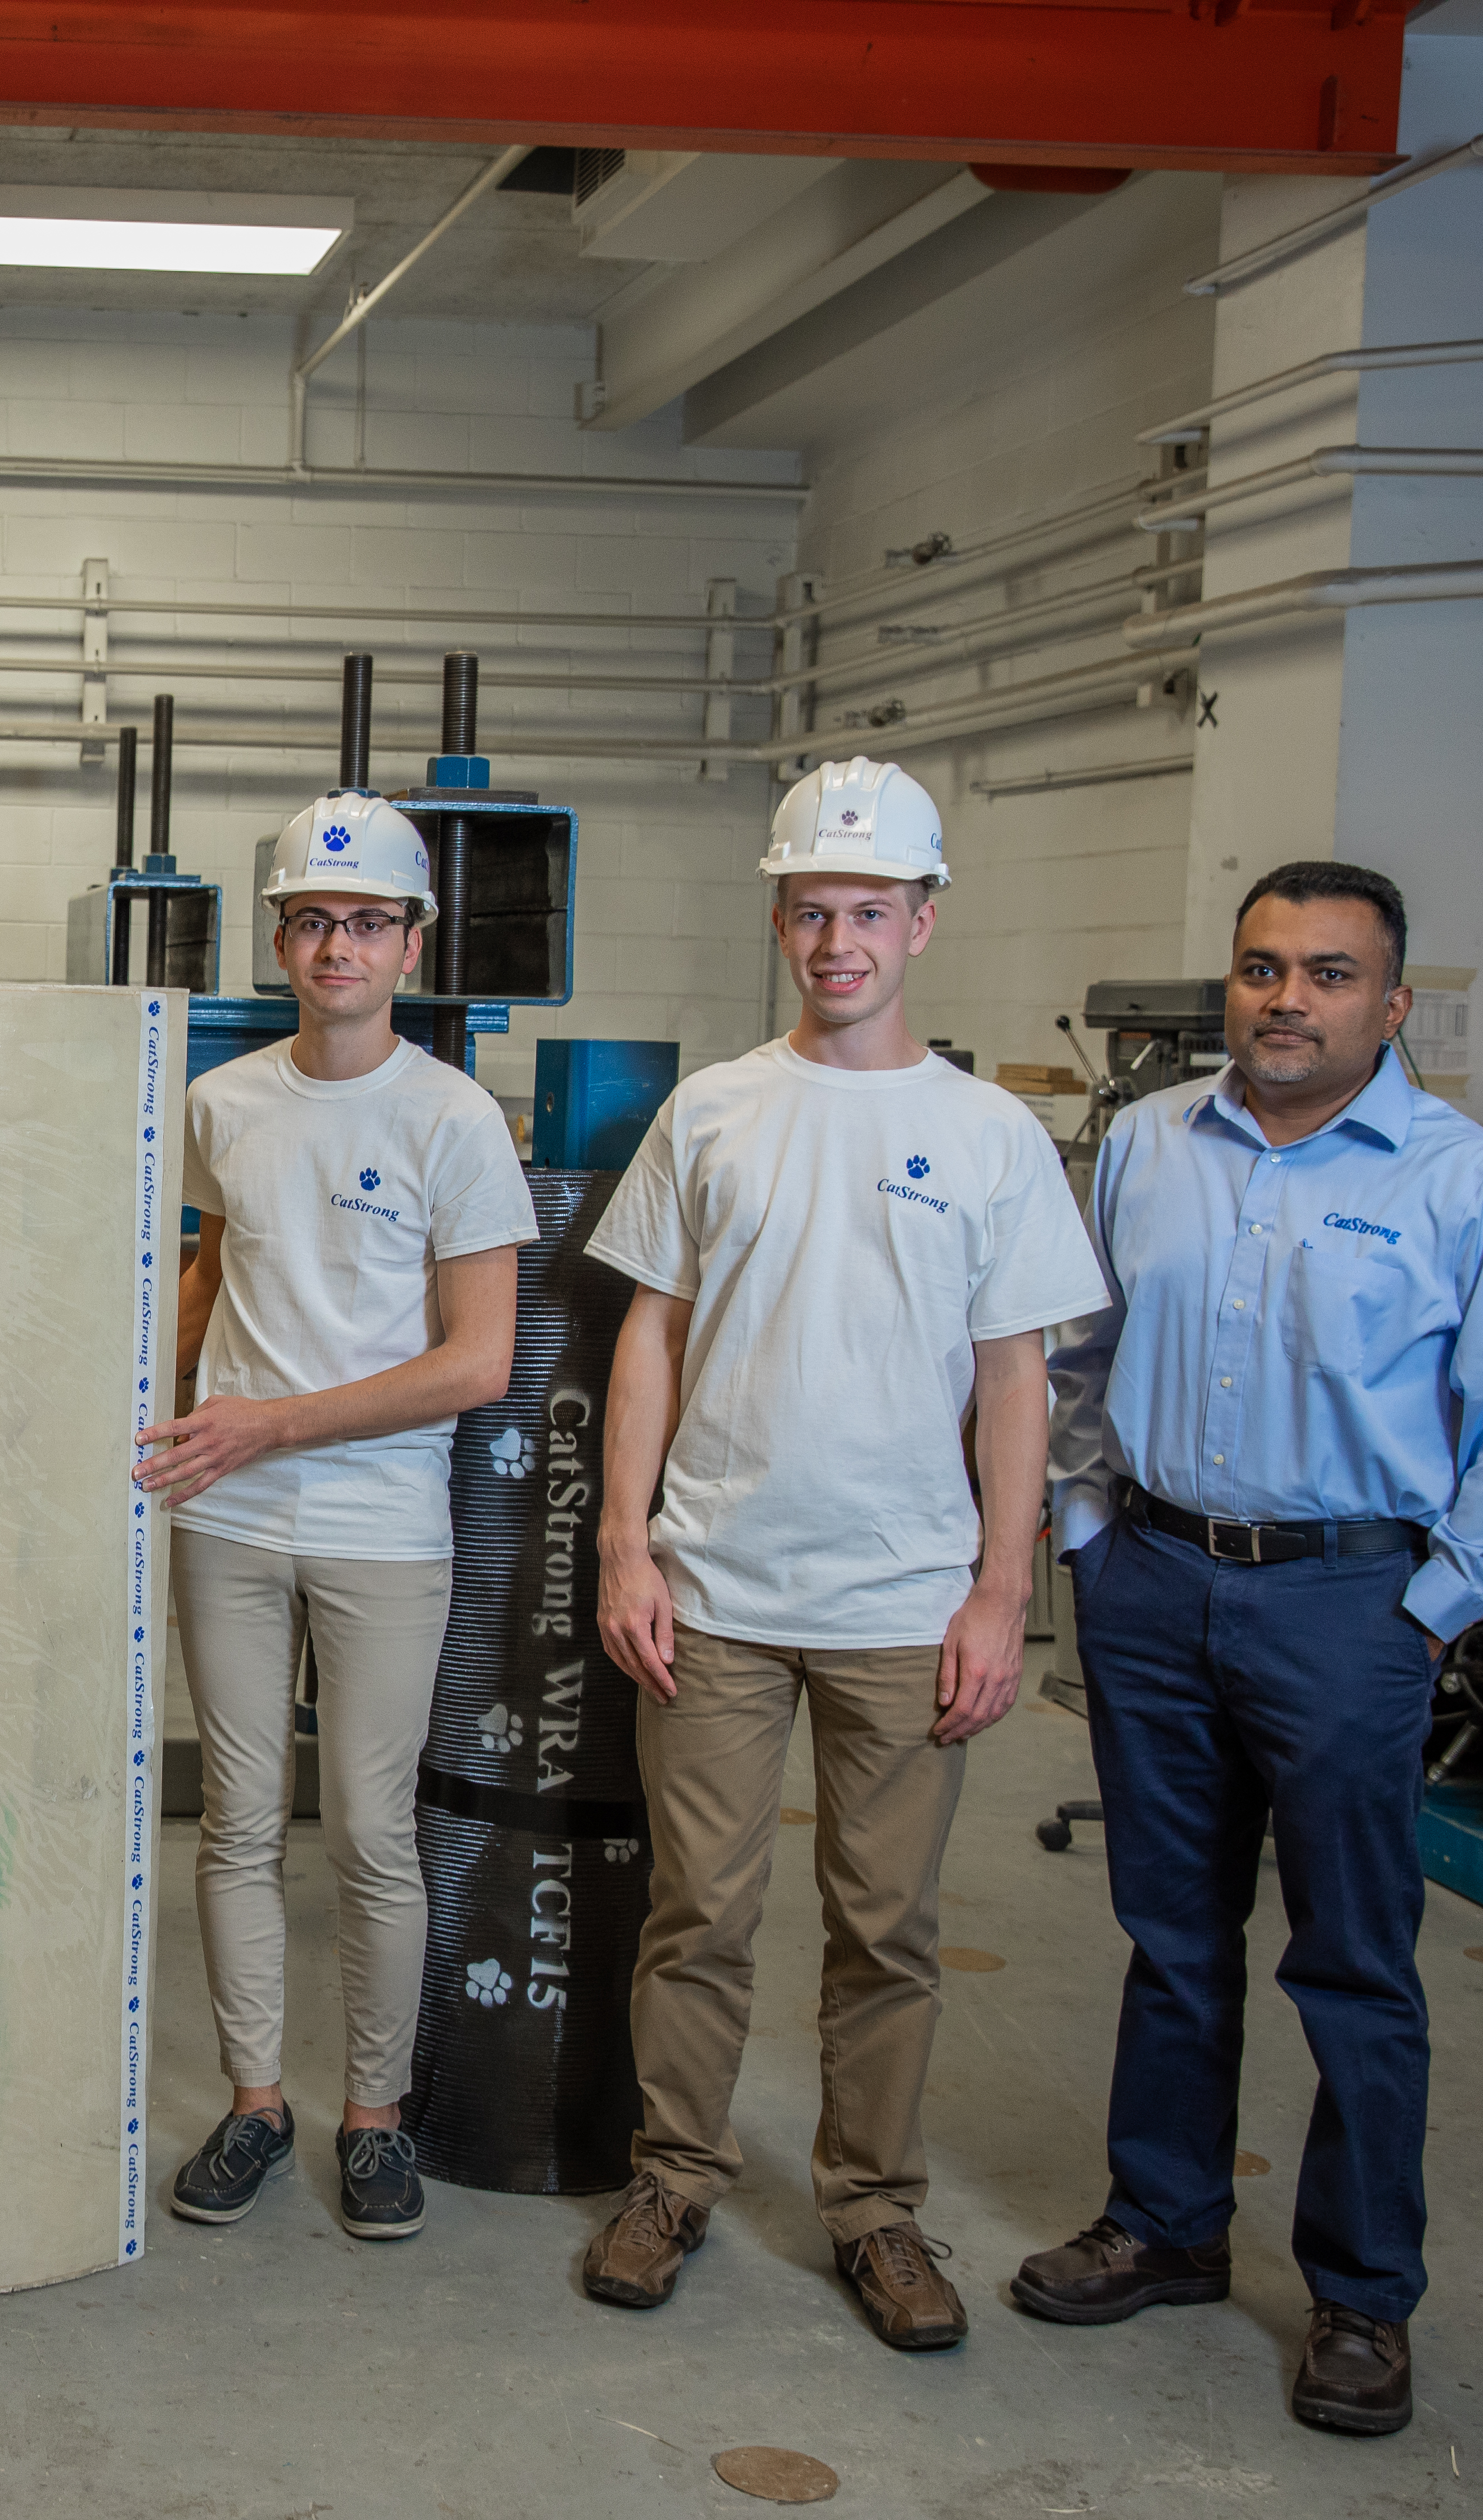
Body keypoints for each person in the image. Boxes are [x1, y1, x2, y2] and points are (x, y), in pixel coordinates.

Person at [1021, 862, 1483, 2437]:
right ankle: (1169, 2224)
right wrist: (1085, 1539)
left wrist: (1437, 1604)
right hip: (1156, 1578)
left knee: (1352, 1964)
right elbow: (1079, 1350)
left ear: (1392, 1007)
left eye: (1329, 975)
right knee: (1174, 1934)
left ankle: (1361, 2297)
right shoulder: (1147, 1143)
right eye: (1263, 969)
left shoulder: (1473, 1186)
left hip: (1353, 1602)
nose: (1287, 1000)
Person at [581, 758, 1105, 2352]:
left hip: (903, 1601)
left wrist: (1003, 1593)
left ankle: (874, 2210)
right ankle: (673, 2176)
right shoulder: (716, 1110)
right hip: (720, 1590)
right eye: (811, 909)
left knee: (887, 1930)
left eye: (868, 910)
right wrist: (626, 1544)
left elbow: (1018, 1376)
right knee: (699, 1916)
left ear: (923, 922)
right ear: (781, 917)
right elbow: (649, 1341)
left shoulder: (991, 1134)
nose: (837, 940)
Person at [139, 792, 534, 2243]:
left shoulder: (452, 1118)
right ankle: (255, 2105)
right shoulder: (225, 1103)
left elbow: (477, 1361)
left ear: (411, 943)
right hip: (226, 1517)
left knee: (372, 1832)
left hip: (380, 1520)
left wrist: (274, 1422)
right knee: (238, 1824)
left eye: (367, 921)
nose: (338, 947)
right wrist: (149, 1402)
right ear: (284, 939)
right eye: (314, 920)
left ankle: (375, 2117)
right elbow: (207, 1279)